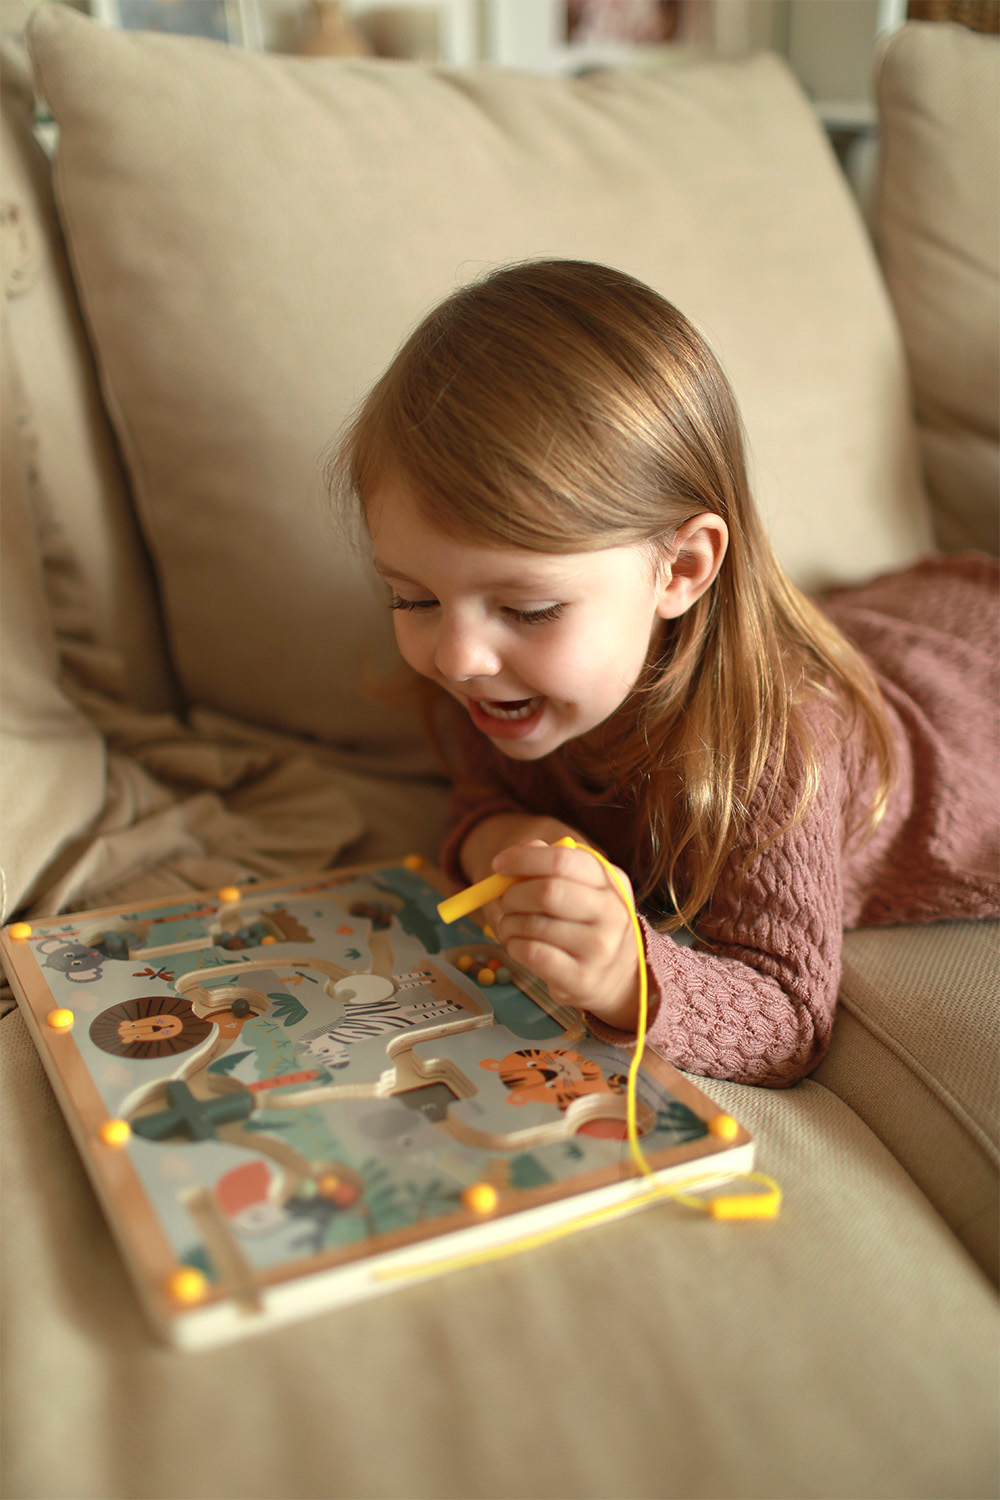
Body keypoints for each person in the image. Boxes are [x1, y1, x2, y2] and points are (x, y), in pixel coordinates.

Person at [334, 259, 999, 1087]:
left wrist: (629, 976)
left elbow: (788, 1016)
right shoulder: (508, 687)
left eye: (529, 608)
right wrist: (508, 840)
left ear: (680, 568)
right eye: (412, 598)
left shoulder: (775, 752)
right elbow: (482, 797)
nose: (456, 658)